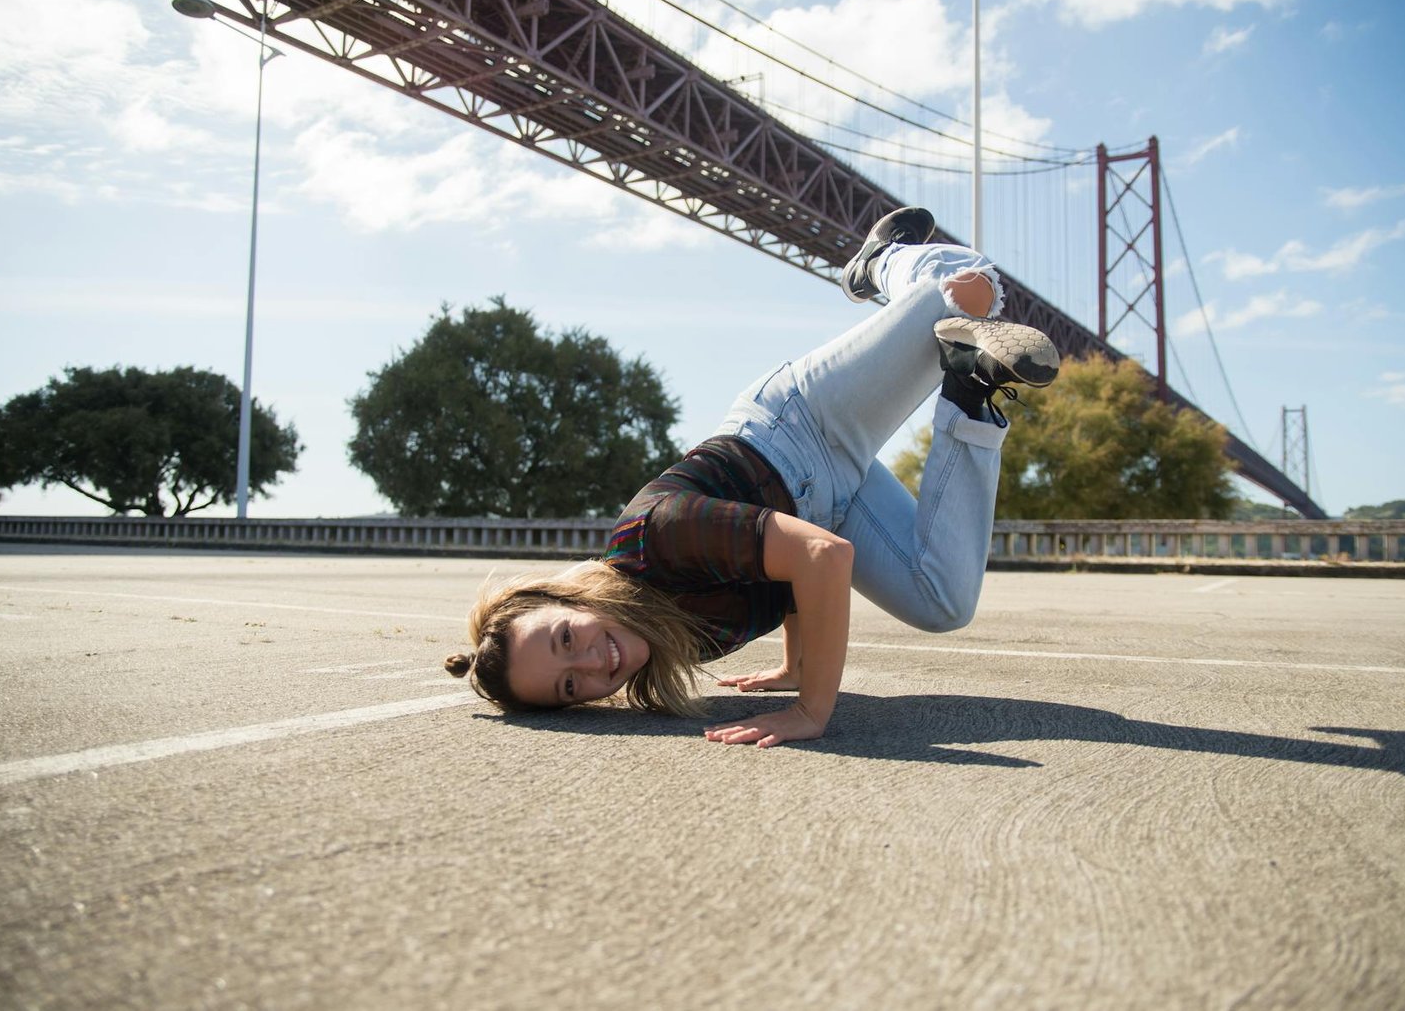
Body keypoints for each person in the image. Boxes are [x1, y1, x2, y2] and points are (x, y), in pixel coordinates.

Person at [444, 208, 1060, 748]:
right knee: (943, 603)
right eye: (570, 686)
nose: (590, 664)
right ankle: (971, 391)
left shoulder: (654, 535)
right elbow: (782, 563)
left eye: (565, 640)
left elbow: (818, 556)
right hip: (829, 501)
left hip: (803, 425)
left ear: (567, 598)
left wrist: (810, 709)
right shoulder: (667, 638)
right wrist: (795, 665)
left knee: (969, 286)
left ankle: (884, 261)